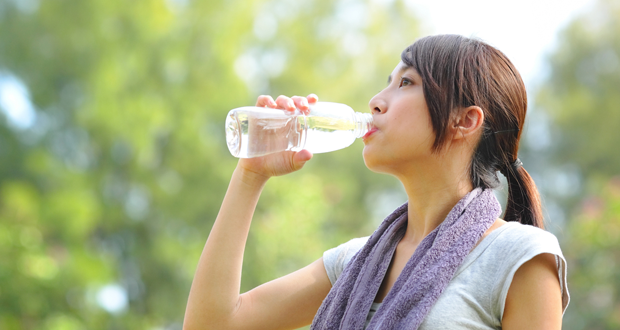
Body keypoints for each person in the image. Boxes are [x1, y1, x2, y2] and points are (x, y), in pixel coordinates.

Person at [182, 35, 569, 330]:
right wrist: (250, 175)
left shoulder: (519, 257)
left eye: (406, 83)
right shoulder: (354, 263)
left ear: (464, 121)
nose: (376, 101)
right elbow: (213, 324)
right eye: (388, 82)